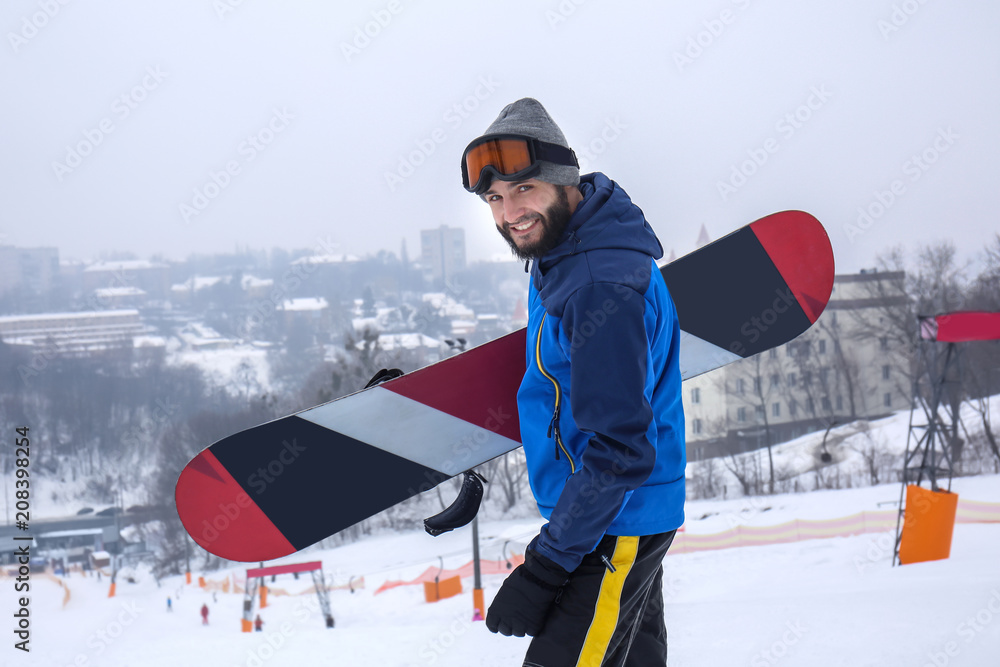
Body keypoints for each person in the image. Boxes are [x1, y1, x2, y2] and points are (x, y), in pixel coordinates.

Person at [461, 98, 685, 665]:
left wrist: (545, 569)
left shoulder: (595, 283)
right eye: (495, 198)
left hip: (611, 526)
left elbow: (620, 450)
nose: (509, 212)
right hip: (608, 520)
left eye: (524, 189)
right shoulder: (569, 250)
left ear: (564, 183)